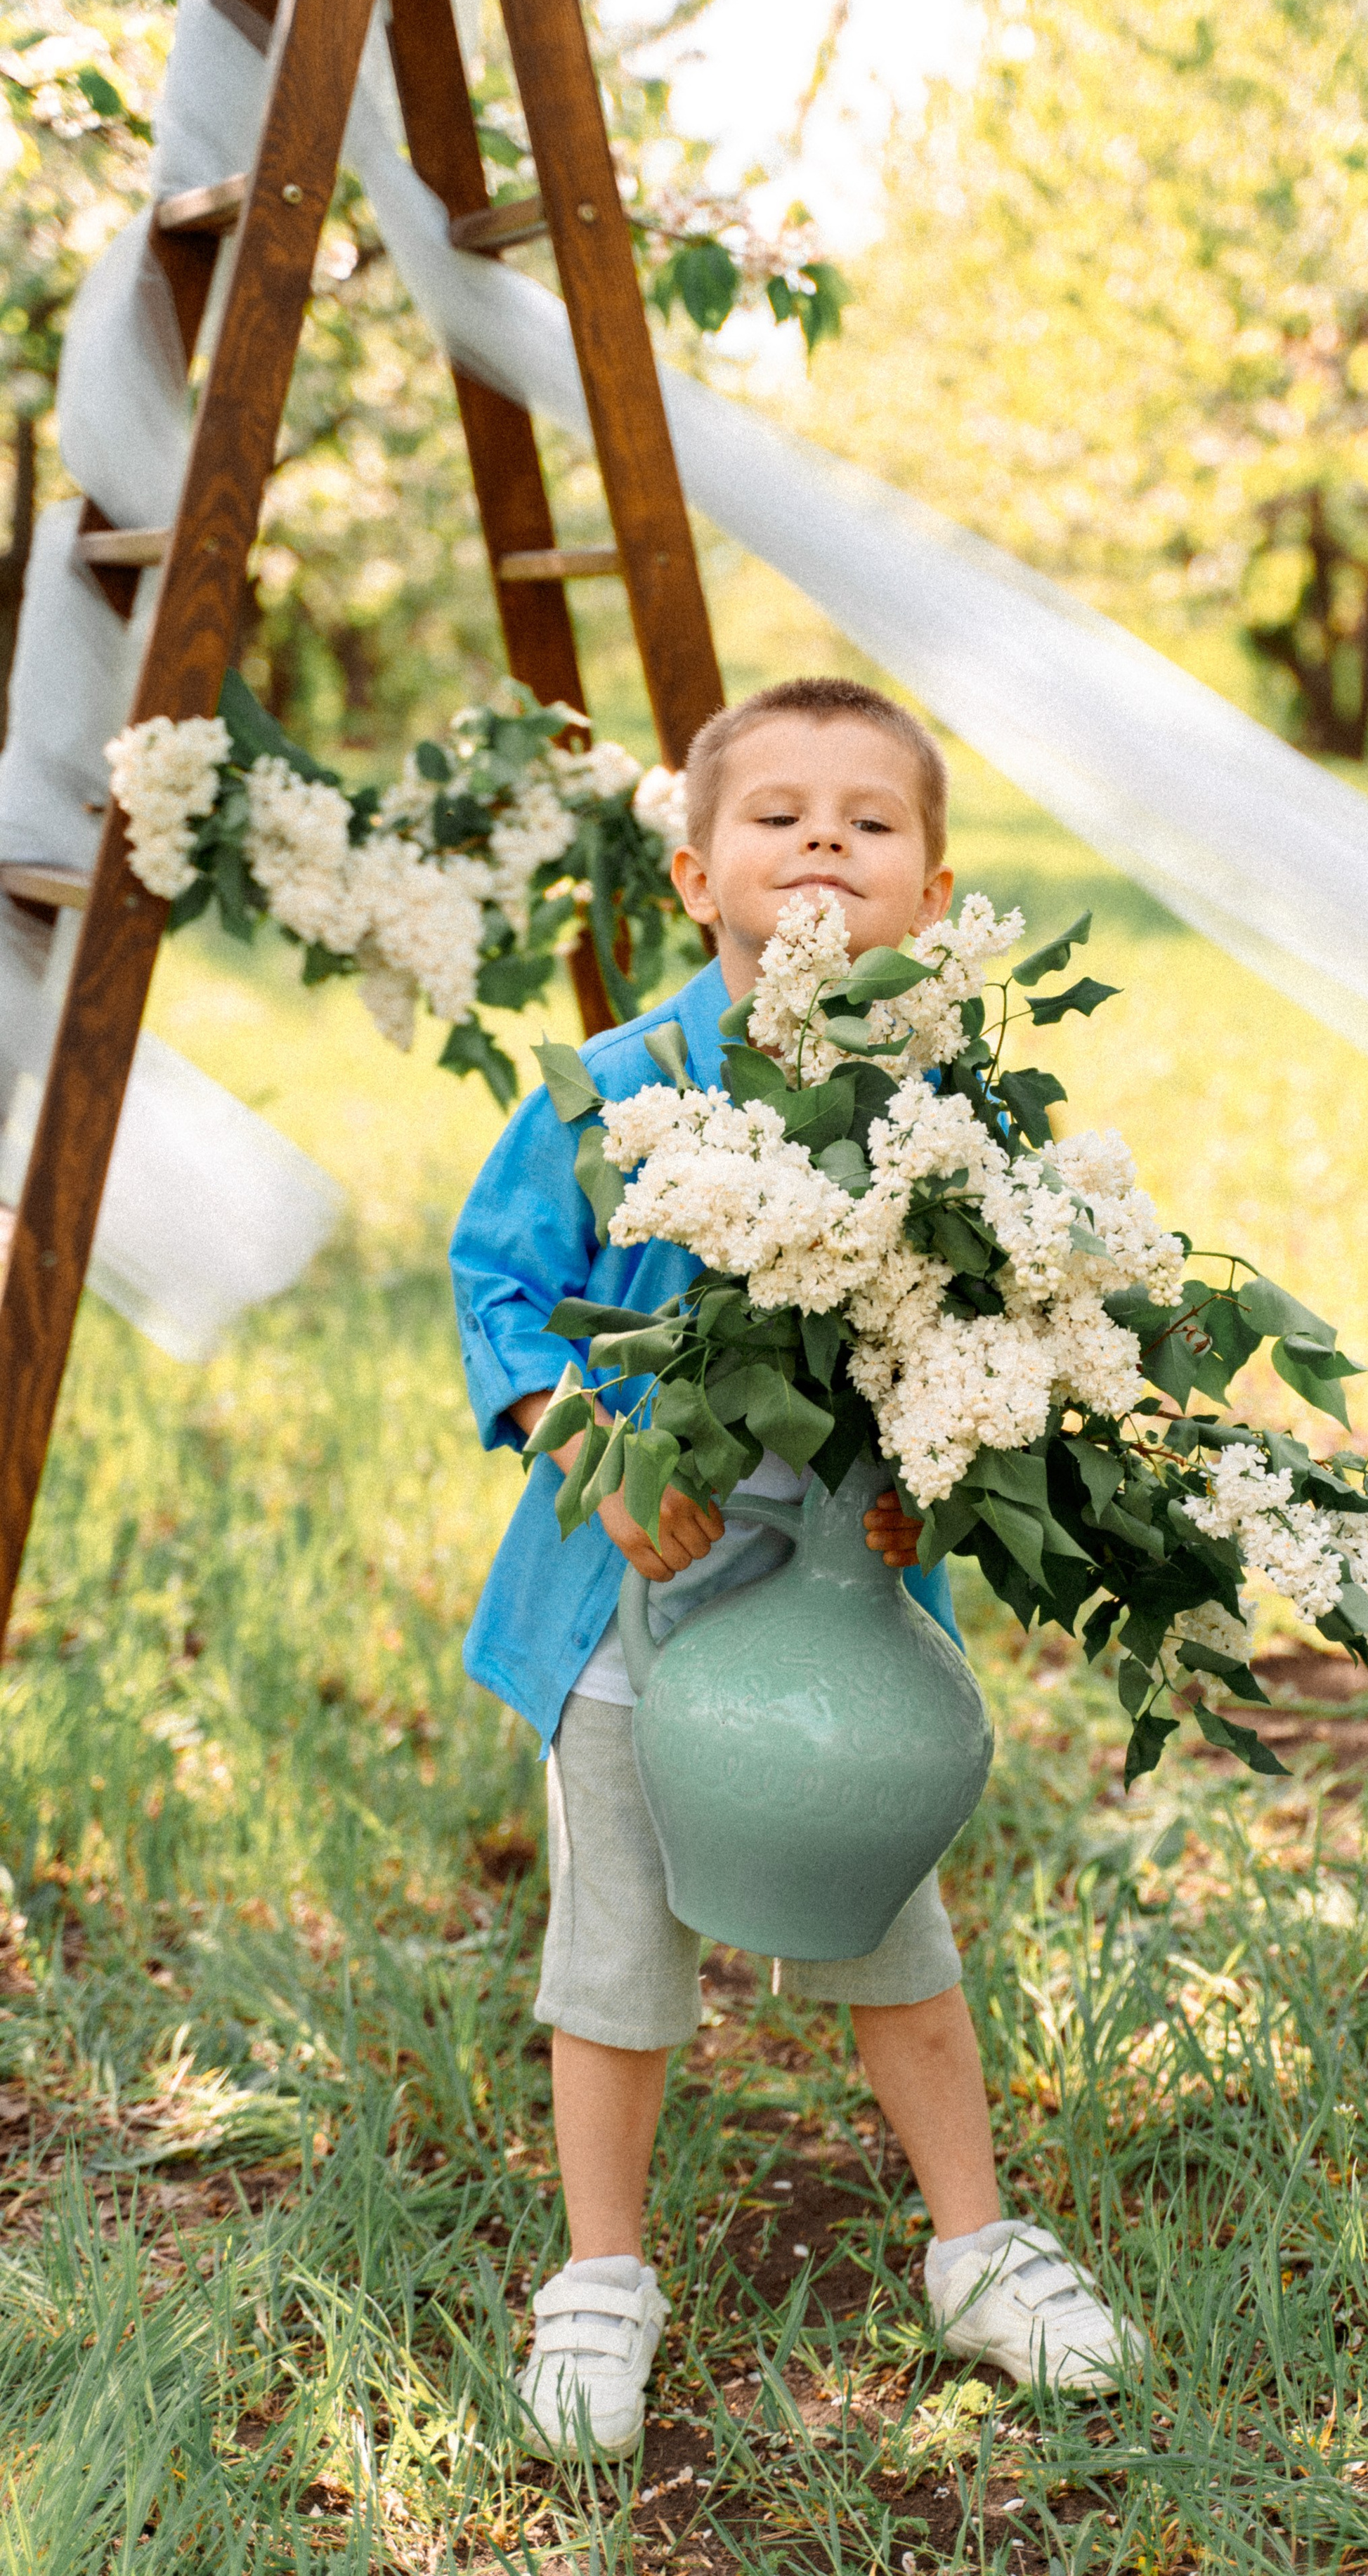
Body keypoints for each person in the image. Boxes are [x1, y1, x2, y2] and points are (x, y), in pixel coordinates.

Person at [450, 676, 1144, 2460]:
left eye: (869, 817)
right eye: (776, 815)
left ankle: (974, 2246)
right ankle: (602, 2273)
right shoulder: (623, 1089)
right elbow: (497, 1286)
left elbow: (991, 1349)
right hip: (631, 1604)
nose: (822, 838)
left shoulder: (957, 1129)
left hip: (836, 1606)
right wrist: (593, 1445)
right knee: (615, 1949)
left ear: (926, 894)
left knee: (891, 1933)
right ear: (693, 877)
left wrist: (942, 1480)